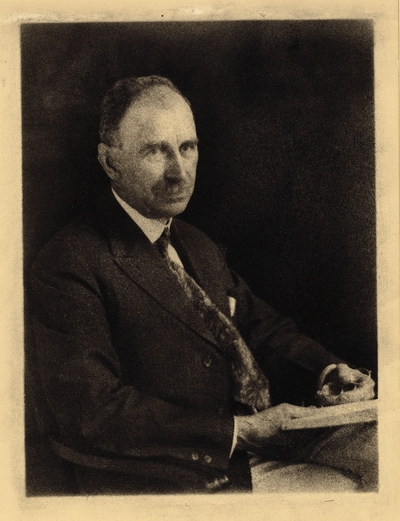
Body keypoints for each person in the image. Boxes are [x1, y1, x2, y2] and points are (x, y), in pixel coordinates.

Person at [29, 76, 377, 495]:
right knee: (355, 487)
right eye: (156, 151)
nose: (178, 172)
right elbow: (92, 410)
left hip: (258, 446)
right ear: (109, 162)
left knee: (385, 446)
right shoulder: (69, 262)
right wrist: (239, 430)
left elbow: (262, 329)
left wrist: (327, 371)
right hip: (178, 474)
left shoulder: (196, 243)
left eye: (187, 148)